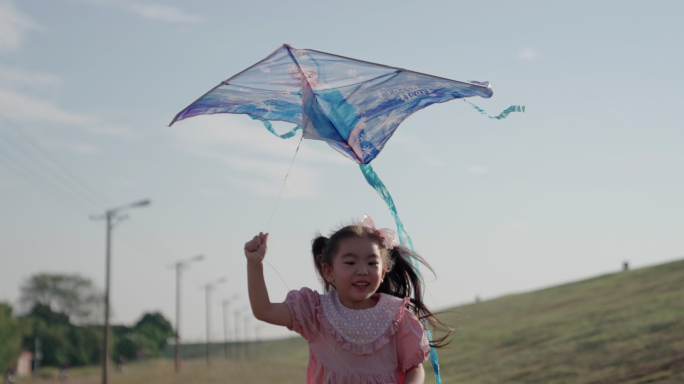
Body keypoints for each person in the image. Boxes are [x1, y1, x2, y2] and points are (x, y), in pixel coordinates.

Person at [245, 215, 451, 384]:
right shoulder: (315, 310)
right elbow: (264, 310)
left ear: (382, 272)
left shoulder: (397, 316)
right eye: (350, 262)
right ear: (329, 272)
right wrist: (255, 264)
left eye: (372, 263)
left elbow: (414, 369)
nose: (362, 271)